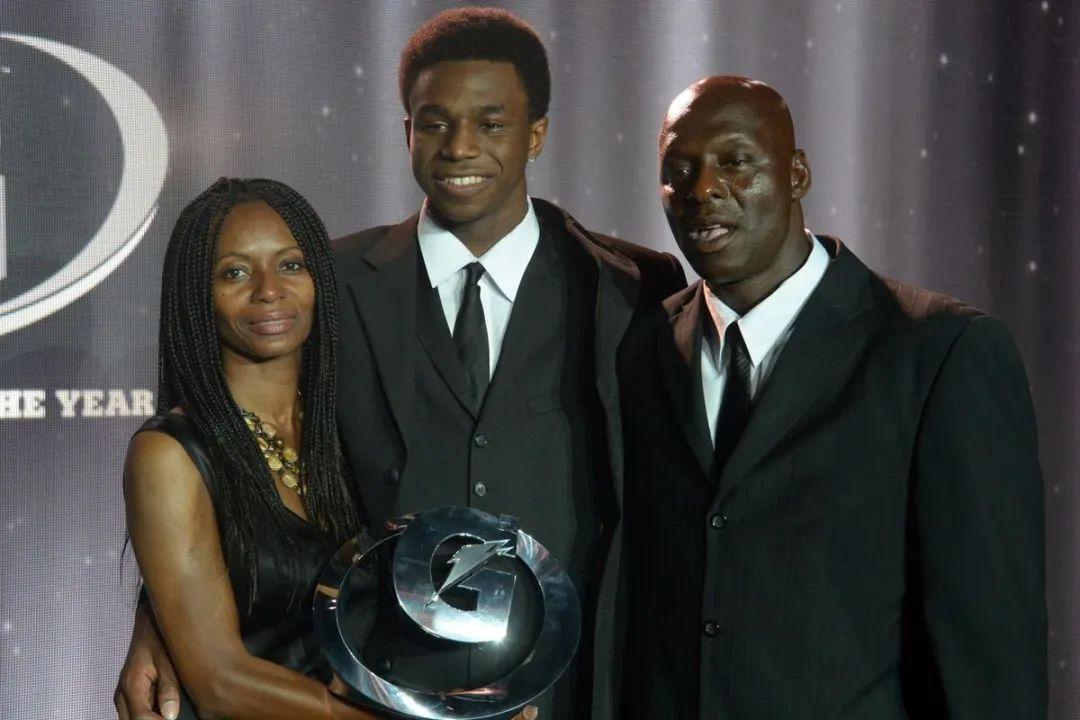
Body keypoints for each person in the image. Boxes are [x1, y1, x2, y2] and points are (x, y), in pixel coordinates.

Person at [115, 8, 686, 720]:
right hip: (382, 686)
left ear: (537, 134)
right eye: (436, 123)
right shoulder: (329, 282)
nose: (461, 147)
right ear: (407, 131)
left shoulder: (633, 286)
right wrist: (166, 616)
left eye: (491, 123)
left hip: (569, 686)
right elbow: (236, 469)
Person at [618, 75, 1047, 718]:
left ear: (797, 174)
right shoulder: (642, 349)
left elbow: (991, 648)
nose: (702, 189)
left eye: (735, 161)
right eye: (679, 170)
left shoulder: (940, 351)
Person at [122, 178, 379, 719]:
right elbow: (221, 683)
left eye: (290, 265)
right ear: (198, 295)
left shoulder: (352, 425)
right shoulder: (169, 455)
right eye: (234, 273)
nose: (268, 290)